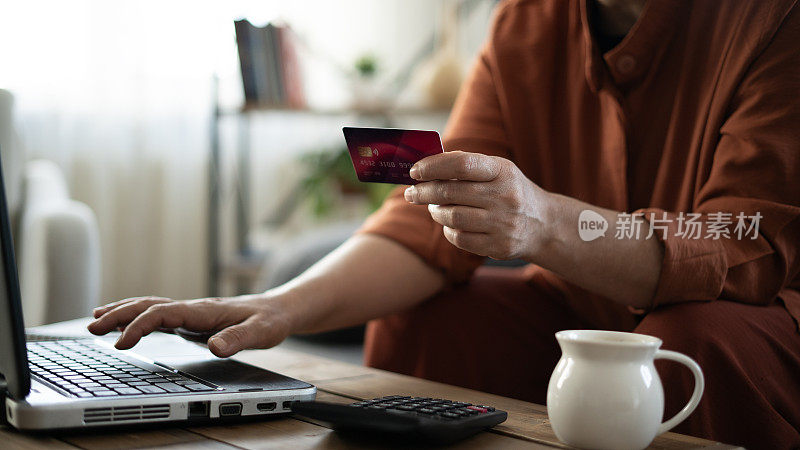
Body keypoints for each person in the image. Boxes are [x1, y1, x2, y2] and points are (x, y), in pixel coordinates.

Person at [89, 0, 800, 447]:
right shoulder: (524, 23)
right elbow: (429, 228)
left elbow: (743, 247)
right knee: (424, 320)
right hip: (579, 303)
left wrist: (547, 223)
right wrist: (274, 306)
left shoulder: (775, 19)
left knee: (686, 342)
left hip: (755, 321)